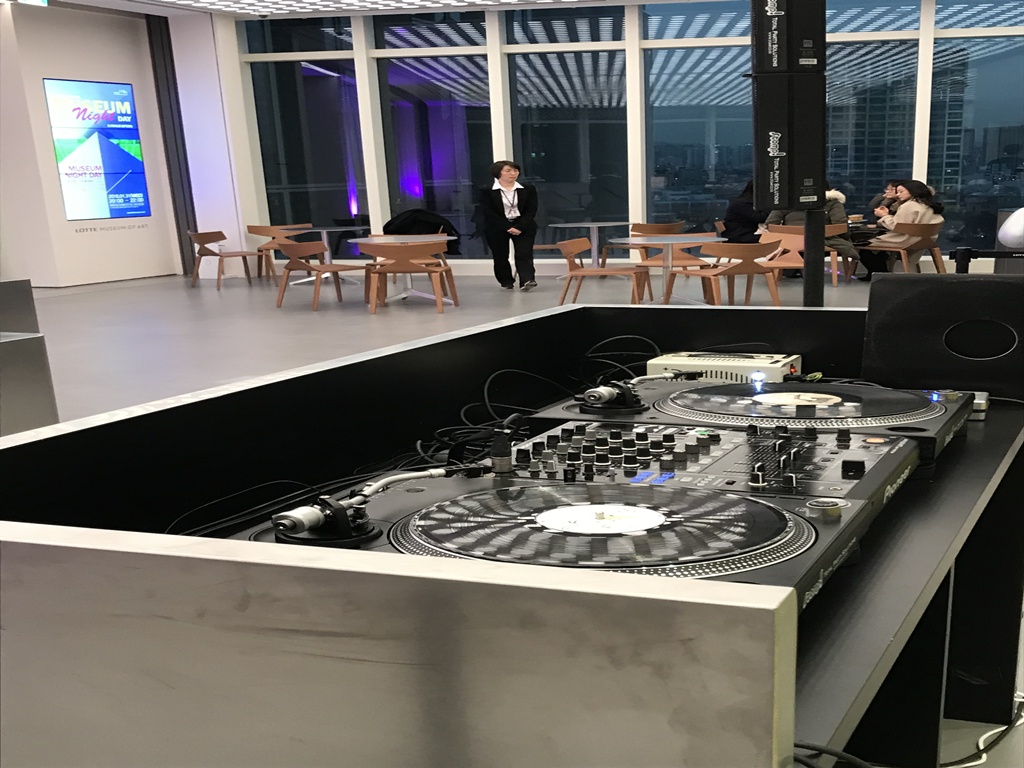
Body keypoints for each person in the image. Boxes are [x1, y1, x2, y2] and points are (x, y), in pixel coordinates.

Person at [764, 184, 860, 277]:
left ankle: (792, 270)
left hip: (791, 242)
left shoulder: (786, 203)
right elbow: (840, 225)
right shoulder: (832, 203)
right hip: (823, 241)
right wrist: (846, 238)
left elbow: (770, 224)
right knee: (836, 242)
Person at [858, 180, 945, 280]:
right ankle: (883, 273)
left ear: (913, 191)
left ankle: (881, 275)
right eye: (897, 192)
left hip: (905, 240)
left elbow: (896, 226)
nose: (898, 194)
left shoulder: (908, 206)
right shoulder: (929, 205)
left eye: (901, 192)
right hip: (924, 241)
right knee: (874, 244)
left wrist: (884, 216)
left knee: (863, 244)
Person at [478, 160, 538, 291]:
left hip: (523, 225)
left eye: (515, 170)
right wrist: (507, 227)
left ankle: (527, 280)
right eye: (508, 171)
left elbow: (531, 210)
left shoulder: (528, 189)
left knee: (524, 253)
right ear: (498, 173)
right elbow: (488, 212)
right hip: (497, 226)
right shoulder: (487, 190)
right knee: (500, 255)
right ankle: (506, 280)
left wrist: (519, 226)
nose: (513, 173)